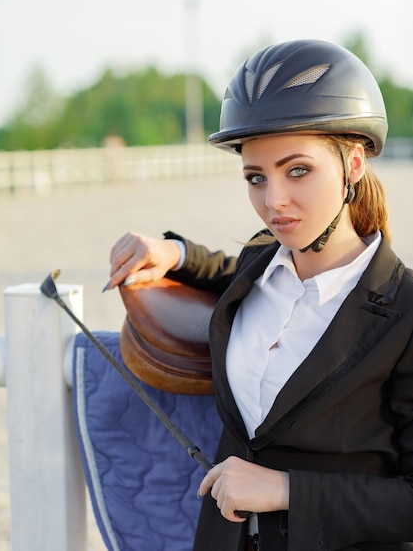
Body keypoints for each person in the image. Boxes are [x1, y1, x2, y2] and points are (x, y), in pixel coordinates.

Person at [105, 40, 413, 550]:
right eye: (255, 177)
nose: (274, 202)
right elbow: (227, 268)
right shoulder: (261, 263)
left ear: (353, 164)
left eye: (298, 170)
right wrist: (175, 253)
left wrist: (288, 490)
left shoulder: (404, 313)